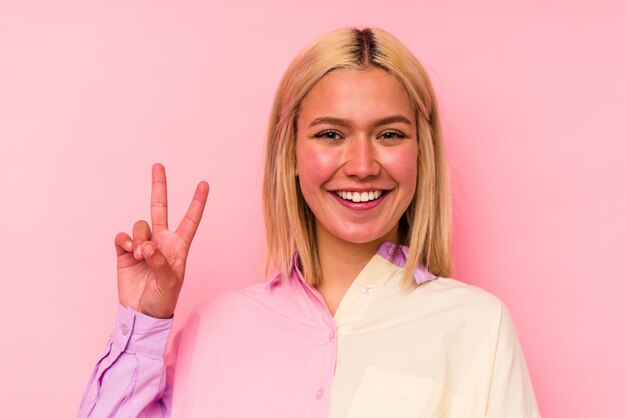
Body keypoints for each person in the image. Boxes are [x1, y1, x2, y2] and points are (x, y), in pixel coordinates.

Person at [78, 27, 541, 417]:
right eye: (331, 134)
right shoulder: (213, 328)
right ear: (292, 153)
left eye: (390, 134)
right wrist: (144, 321)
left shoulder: (478, 327)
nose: (362, 164)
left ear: (421, 154)